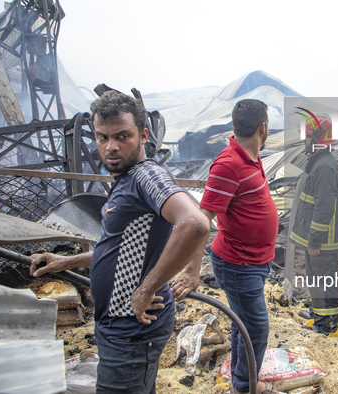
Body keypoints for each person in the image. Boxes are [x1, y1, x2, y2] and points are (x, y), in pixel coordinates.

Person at [30, 91, 210, 393]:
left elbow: (195, 224)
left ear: (142, 136)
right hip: (119, 325)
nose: (110, 147)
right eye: (102, 137)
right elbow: (119, 249)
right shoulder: (126, 178)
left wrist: (147, 288)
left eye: (121, 136)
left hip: (132, 329)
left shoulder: (146, 176)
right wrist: (67, 262)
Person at [175, 99, 279, 394]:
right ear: (263, 127)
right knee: (256, 327)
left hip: (253, 261)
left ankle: (239, 379)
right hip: (238, 264)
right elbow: (201, 221)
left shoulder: (251, 156)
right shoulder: (229, 164)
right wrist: (192, 270)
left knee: (243, 323)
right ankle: (245, 387)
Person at [289, 116, 338, 335]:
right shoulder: (319, 162)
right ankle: (319, 315)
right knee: (318, 280)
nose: (305, 141)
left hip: (322, 242)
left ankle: (325, 324)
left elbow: (324, 207)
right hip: (317, 240)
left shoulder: (325, 166)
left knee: (323, 281)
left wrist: (315, 239)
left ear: (320, 137)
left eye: (308, 136)